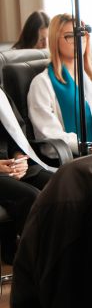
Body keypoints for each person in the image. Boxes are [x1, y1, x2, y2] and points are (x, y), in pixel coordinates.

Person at [27, 14, 92, 156]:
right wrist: (89, 148)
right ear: (55, 41)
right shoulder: (42, 84)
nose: (79, 40)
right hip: (72, 160)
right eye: (70, 36)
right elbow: (49, 134)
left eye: (82, 35)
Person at [0, 87, 54, 263]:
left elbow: (16, 133)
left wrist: (19, 158)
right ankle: (32, 265)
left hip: (11, 164)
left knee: (57, 184)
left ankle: (65, 256)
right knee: (30, 196)